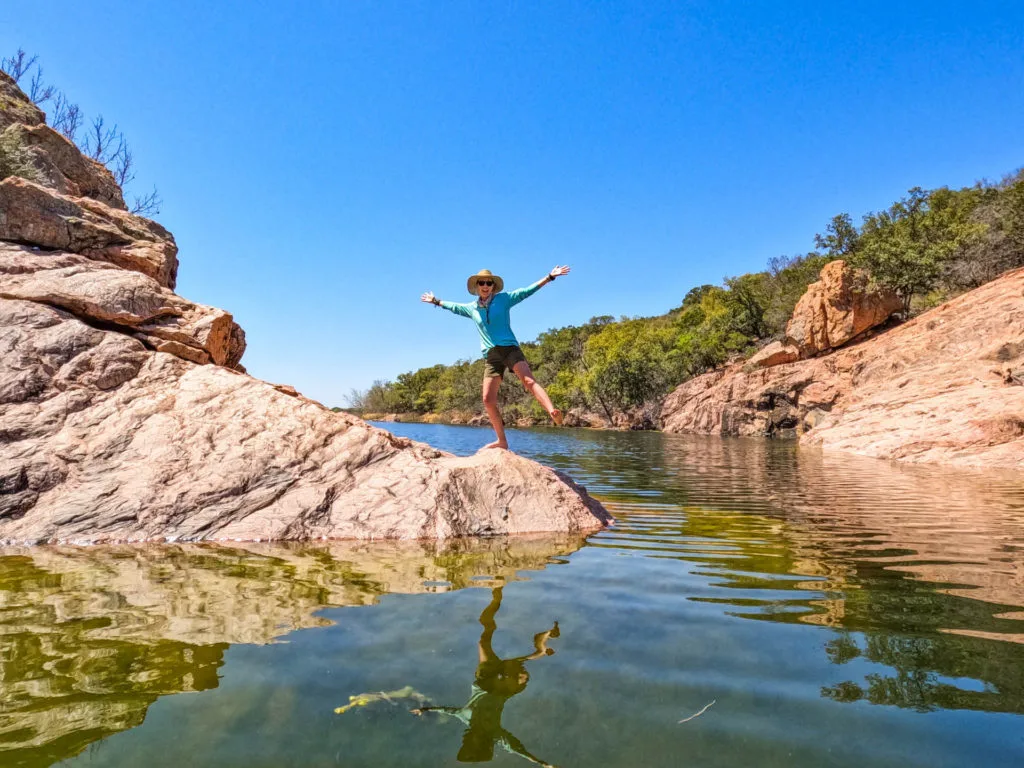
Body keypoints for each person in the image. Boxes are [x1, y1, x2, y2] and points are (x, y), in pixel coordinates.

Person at [421, 266, 571, 450]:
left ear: (493, 286)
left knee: (528, 380)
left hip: (509, 348)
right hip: (491, 356)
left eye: (489, 283)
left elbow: (526, 291)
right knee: (487, 399)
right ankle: (502, 441)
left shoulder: (504, 299)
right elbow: (454, 307)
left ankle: (552, 411)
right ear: (477, 286)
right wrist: (435, 301)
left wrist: (549, 277)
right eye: (482, 283)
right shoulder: (472, 308)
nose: (485, 286)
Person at [411, 586, 560, 766]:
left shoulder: (469, 721)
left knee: (487, 643)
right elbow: (514, 747)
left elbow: (446, 710)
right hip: (499, 684)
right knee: (508, 658)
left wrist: (425, 710)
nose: (467, 739)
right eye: (470, 743)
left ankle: (499, 600)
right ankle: (540, 644)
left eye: (467, 742)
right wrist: (539, 762)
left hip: (491, 679)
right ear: (481, 743)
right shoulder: (492, 732)